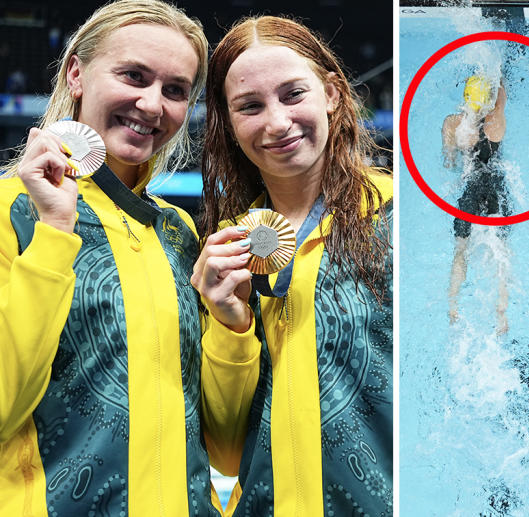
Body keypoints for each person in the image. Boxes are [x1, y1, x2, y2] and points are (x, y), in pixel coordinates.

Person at [0, 1, 244, 515]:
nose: (153, 105)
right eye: (133, 76)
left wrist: (232, 328)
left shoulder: (178, 233)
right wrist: (54, 235)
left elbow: (225, 446)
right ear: (77, 74)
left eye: (175, 90)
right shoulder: (11, 212)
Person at [195, 16, 392, 517]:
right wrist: (229, 325)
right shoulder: (226, 250)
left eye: (293, 94)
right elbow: (222, 445)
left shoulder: (404, 214)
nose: (277, 122)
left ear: (330, 93)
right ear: (228, 121)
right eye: (250, 106)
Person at [443, 74, 510, 335]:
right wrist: (499, 77)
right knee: (501, 250)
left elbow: (449, 162)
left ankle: (453, 306)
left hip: (470, 189)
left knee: (461, 250)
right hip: (496, 189)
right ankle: (501, 310)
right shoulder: (496, 121)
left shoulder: (452, 123)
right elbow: (502, 95)